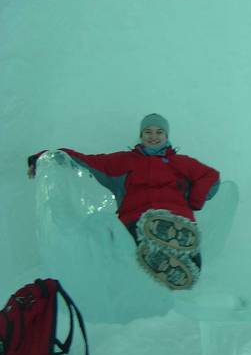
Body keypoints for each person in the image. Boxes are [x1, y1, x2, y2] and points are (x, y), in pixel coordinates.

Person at [27, 113, 220, 290]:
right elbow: (84, 160)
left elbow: (210, 176)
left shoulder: (181, 162)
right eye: (148, 132)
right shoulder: (124, 161)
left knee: (180, 252)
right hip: (136, 217)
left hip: (177, 217)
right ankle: (163, 254)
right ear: (141, 135)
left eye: (159, 132)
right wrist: (44, 157)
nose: (153, 136)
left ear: (167, 135)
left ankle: (171, 253)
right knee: (137, 232)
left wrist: (194, 200)